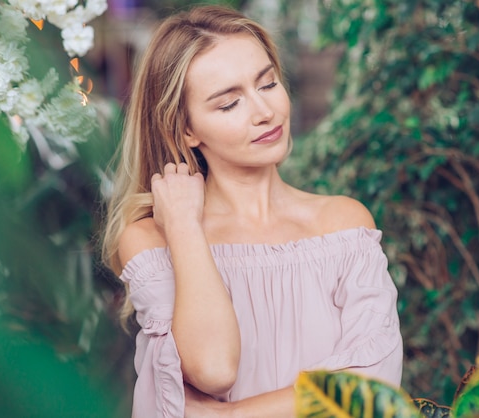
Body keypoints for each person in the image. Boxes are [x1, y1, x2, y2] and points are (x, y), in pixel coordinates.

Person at [102, 5, 403, 417]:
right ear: (185, 129)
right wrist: (186, 228)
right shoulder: (153, 239)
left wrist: (229, 415)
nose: (265, 112)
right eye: (229, 104)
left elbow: (370, 386)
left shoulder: (344, 226)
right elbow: (213, 369)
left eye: (267, 84)